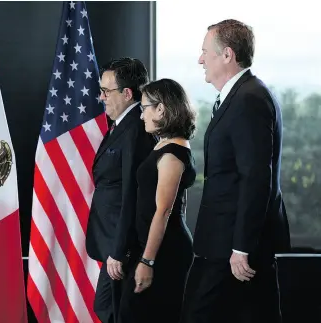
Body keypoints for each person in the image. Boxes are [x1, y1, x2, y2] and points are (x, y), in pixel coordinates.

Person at [181, 19, 291, 323]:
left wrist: (241, 247)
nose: (200, 59)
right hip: (228, 244)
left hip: (234, 247)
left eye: (205, 52)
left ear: (227, 54)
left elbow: (255, 177)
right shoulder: (241, 94)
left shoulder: (249, 99)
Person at [116, 79, 197, 323]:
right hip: (150, 247)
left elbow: (162, 212)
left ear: (161, 109)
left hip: (164, 252)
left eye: (144, 109)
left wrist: (147, 261)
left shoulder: (173, 154)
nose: (141, 117)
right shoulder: (164, 144)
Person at [86, 57, 155, 323]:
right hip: (112, 241)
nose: (101, 97)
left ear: (127, 93)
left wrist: (120, 250)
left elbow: (132, 194)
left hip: (123, 246)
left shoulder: (136, 129)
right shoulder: (121, 126)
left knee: (113, 310)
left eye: (106, 91)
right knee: (109, 309)